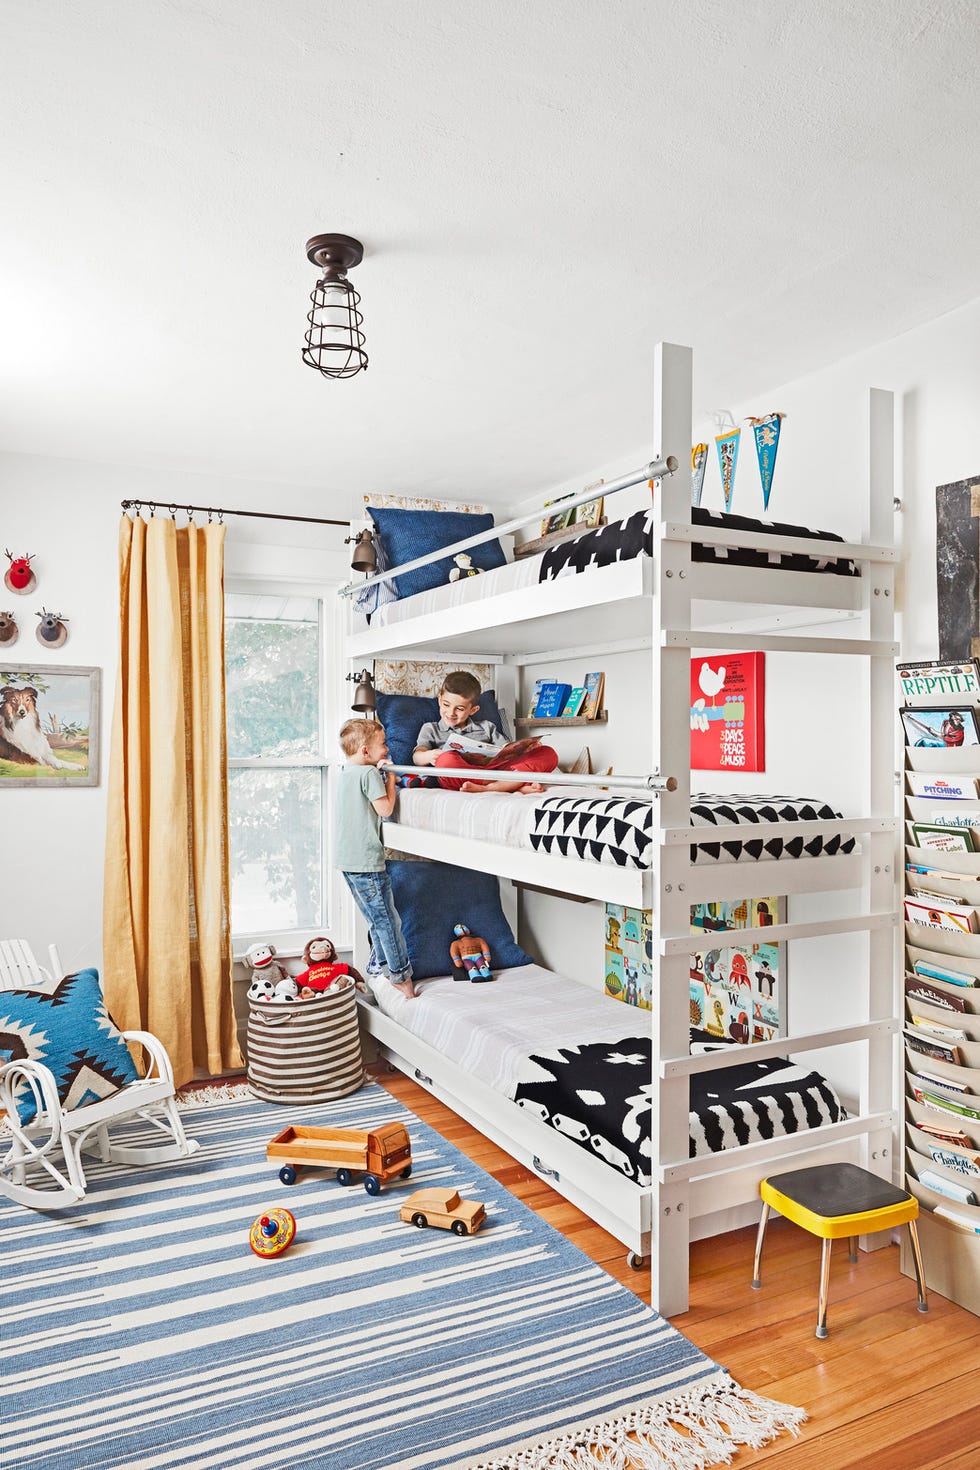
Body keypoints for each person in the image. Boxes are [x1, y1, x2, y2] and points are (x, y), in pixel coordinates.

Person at [334, 717, 417, 999]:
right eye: (382, 744)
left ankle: (383, 968)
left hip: (346, 859)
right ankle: (400, 977)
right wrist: (391, 778)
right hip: (367, 861)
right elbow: (385, 809)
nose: (386, 750)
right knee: (388, 921)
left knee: (375, 918)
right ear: (365, 752)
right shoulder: (369, 774)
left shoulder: (345, 772)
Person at [412, 670, 559, 793]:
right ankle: (512, 785)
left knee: (548, 753)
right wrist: (429, 755)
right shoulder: (431, 729)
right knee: (446, 760)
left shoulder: (486, 727)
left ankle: (495, 786)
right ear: (439, 700)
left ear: (473, 710)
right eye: (446, 705)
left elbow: (506, 750)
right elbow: (417, 757)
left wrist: (524, 748)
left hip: (495, 770)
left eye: (460, 709)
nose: (451, 712)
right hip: (460, 774)